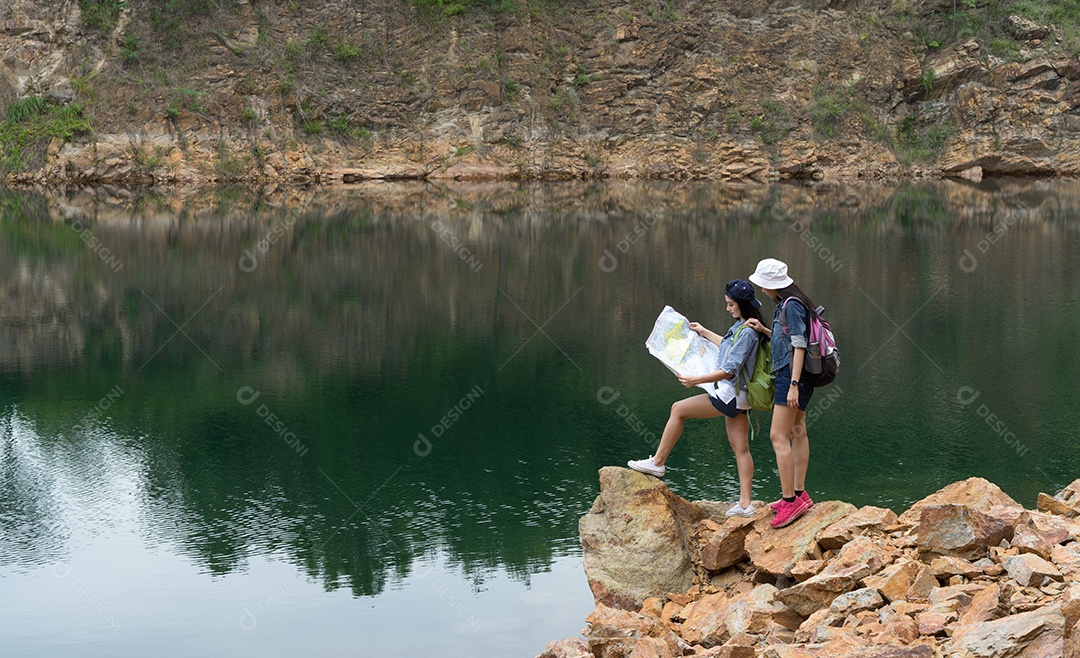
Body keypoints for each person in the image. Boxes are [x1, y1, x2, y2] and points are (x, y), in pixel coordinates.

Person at [628, 280, 763, 517]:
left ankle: (658, 463)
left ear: (742, 304)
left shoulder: (748, 331)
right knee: (740, 447)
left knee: (678, 409)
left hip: (731, 394)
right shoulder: (745, 326)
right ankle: (745, 504)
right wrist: (705, 332)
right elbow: (728, 349)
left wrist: (696, 380)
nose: (728, 308)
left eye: (731, 304)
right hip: (742, 397)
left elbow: (730, 369)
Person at [744, 258, 817, 528]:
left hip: (793, 377)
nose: (761, 290)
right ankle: (800, 494)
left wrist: (794, 384)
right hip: (798, 376)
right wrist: (765, 330)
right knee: (798, 431)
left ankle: (790, 502)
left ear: (774, 285)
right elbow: (788, 340)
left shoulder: (792, 306)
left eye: (763, 285)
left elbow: (798, 345)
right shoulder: (789, 304)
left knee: (778, 436)